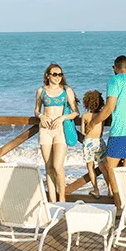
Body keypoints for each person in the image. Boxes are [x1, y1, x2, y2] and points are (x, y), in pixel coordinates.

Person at [89, 55, 126, 209]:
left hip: (121, 129)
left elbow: (109, 107)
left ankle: (119, 205)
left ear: (114, 68)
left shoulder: (114, 81)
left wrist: (93, 122)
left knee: (111, 167)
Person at [34, 63, 78, 201]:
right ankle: (52, 201)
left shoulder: (67, 90)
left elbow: (75, 112)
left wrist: (62, 117)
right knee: (48, 167)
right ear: (48, 75)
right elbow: (36, 110)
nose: (58, 77)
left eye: (60, 74)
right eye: (54, 74)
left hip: (60, 130)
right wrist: (41, 116)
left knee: (58, 166)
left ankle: (62, 199)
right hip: (45, 130)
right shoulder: (41, 91)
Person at [79, 90, 107, 197]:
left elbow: (82, 131)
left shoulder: (85, 116)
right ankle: (110, 189)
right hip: (99, 141)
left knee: (90, 167)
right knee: (103, 167)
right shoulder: (101, 116)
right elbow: (102, 131)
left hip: (88, 142)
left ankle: (96, 190)